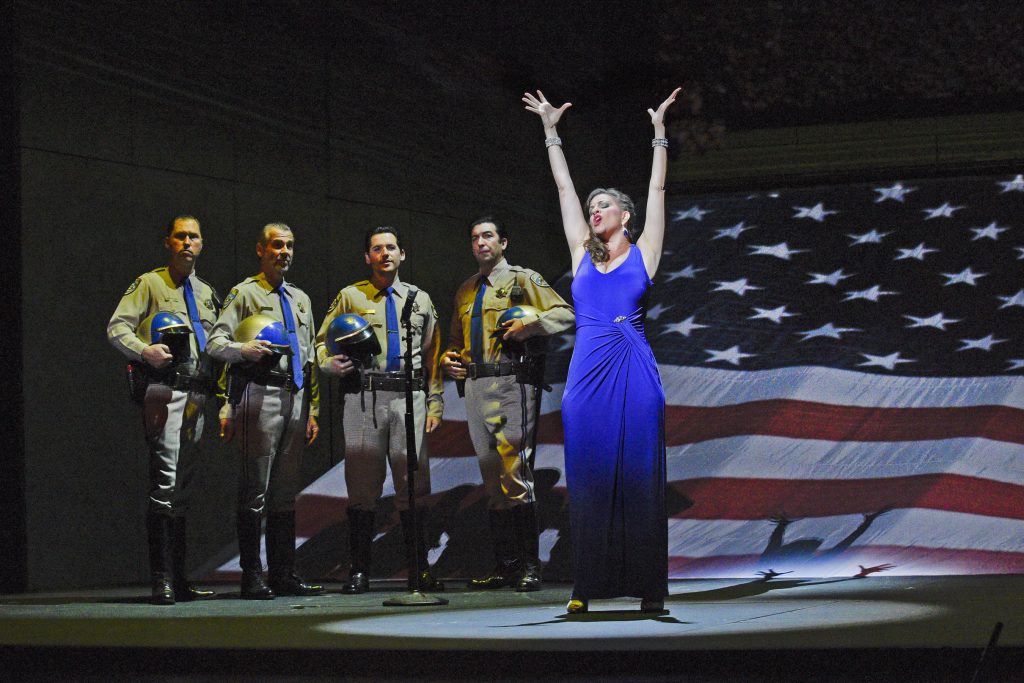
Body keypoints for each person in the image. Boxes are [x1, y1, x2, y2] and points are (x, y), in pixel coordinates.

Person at [523, 87, 680, 613]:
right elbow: (563, 187)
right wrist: (551, 133)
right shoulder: (579, 253)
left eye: (604, 204)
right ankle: (585, 586)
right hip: (587, 374)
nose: (594, 210)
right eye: (592, 206)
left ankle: (649, 590)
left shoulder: (645, 253)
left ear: (625, 217)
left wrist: (659, 134)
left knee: (639, 478)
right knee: (588, 480)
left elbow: (657, 191)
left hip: (634, 369)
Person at [440, 217, 573, 592]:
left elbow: (565, 314)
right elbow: (454, 339)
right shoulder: (466, 289)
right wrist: (449, 358)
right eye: (475, 237)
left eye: (488, 236)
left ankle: (531, 567)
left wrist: (530, 327)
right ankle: (506, 567)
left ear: (503, 242)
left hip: (511, 382)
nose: (481, 243)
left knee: (515, 472)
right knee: (491, 478)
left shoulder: (523, 280)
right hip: (475, 384)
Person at [317, 226, 445, 594]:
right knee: (362, 487)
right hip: (364, 396)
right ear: (367, 257)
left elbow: (432, 354)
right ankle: (359, 570)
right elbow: (321, 343)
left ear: (402, 254)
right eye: (377, 249)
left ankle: (419, 569)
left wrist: (434, 402)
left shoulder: (420, 299)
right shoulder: (350, 296)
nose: (384, 253)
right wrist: (329, 364)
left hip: (409, 396)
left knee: (414, 486)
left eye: (391, 247)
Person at [206, 222, 323, 599]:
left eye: (289, 245)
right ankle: (252, 575)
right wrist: (244, 351)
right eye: (276, 245)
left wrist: (314, 409)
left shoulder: (301, 299)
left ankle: (283, 573)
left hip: (295, 397)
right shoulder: (244, 292)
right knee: (255, 488)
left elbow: (308, 360)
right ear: (261, 250)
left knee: (286, 493)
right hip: (259, 393)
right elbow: (214, 342)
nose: (284, 252)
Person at [107, 215, 219, 605]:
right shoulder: (150, 283)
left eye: (194, 237)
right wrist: (144, 351)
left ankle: (180, 577)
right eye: (181, 236)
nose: (188, 243)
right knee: (165, 484)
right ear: (168, 242)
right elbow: (117, 327)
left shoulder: (206, 293)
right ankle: (162, 580)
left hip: (198, 396)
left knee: (184, 489)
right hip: (165, 390)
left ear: (202, 244)